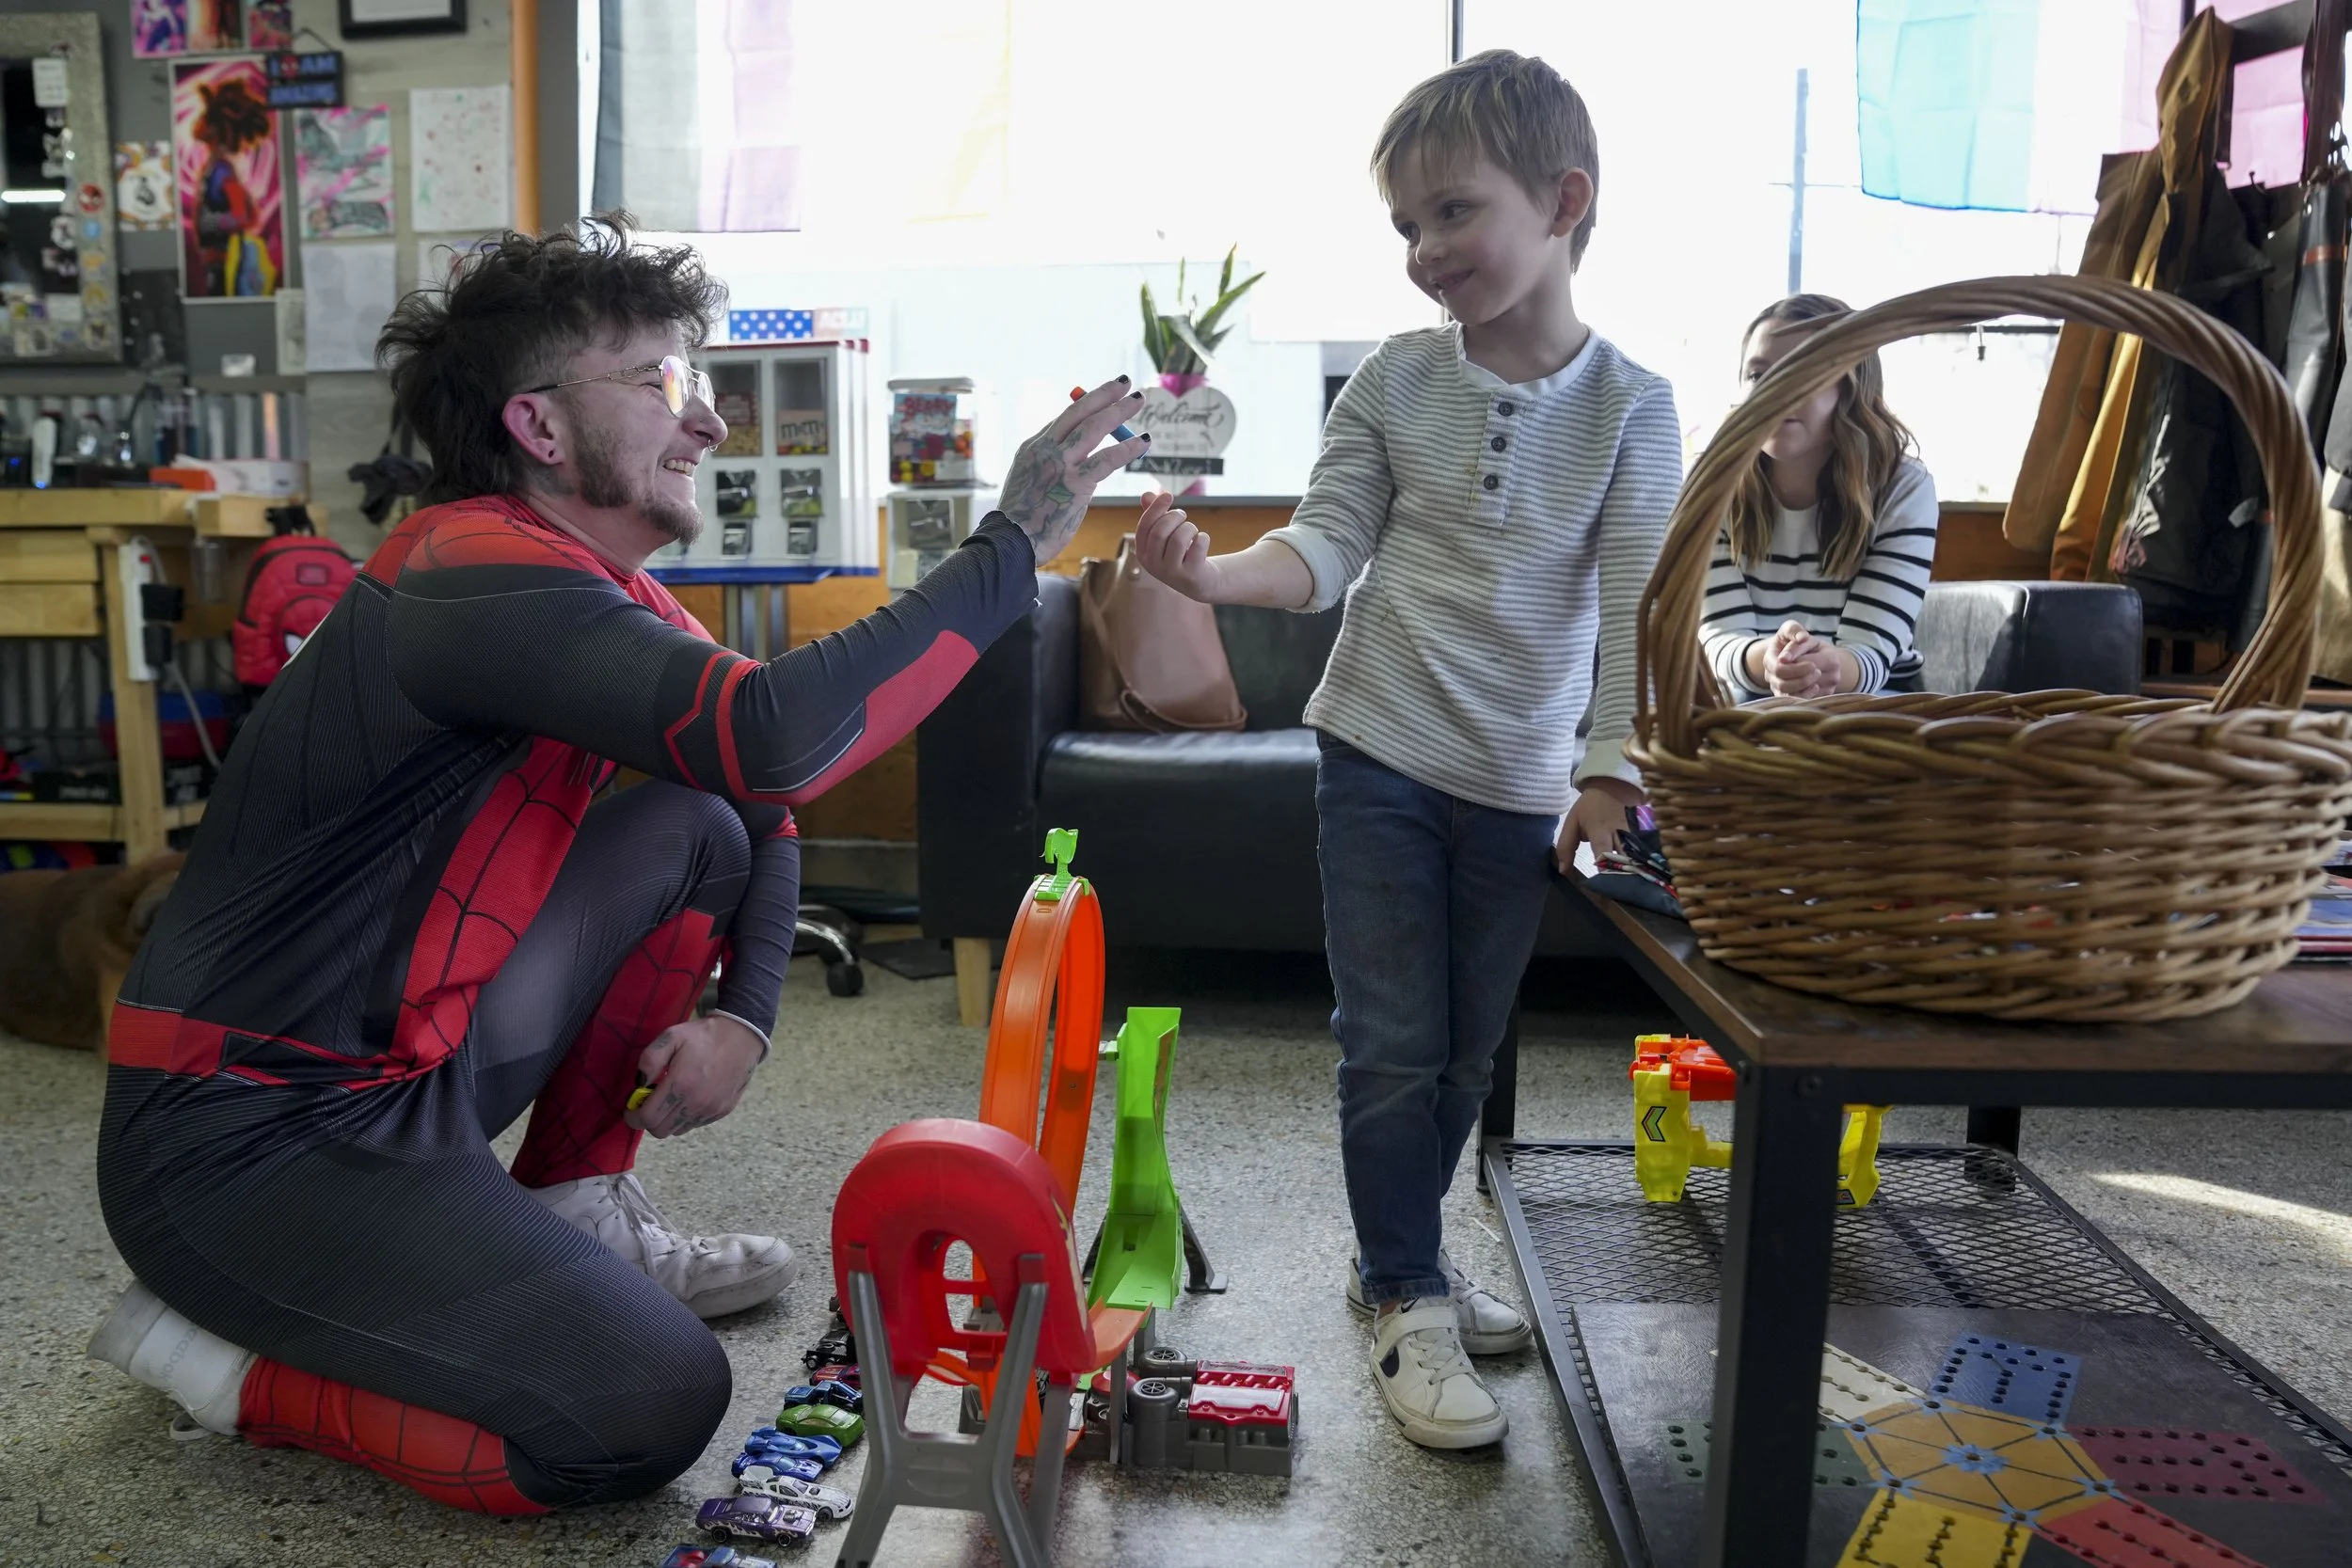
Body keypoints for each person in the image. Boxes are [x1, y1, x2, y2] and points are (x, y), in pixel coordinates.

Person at [86, 216, 1149, 1513]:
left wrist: (748, 1017)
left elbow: (752, 812)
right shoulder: (465, 566)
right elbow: (779, 740)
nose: (703, 423)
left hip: (405, 1075)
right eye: (661, 383)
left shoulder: (593, 589)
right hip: (240, 1139)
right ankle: (217, 1355)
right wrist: (1007, 549)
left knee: (693, 821)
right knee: (643, 1404)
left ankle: (581, 1199)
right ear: (539, 429)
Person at [1130, 51, 1681, 1449]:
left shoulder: (1638, 406)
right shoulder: (1392, 379)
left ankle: (1406, 1262)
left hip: (1516, 781)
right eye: (1406, 229)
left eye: (1453, 214)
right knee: (1388, 1046)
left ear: (1565, 201)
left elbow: (1637, 604)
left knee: (1460, 1054)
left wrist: (1611, 764)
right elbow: (1324, 548)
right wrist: (1209, 578)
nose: (1427, 252)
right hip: (1378, 748)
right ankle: (1402, 1281)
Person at [1700, 293, 1939, 701]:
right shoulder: (1712, 481)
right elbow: (1721, 635)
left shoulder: (1902, 486)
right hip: (1751, 698)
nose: (1775, 391)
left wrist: (1823, 669)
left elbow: (1871, 649)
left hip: (1877, 699)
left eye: (1803, 372)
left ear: (1851, 386)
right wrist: (1772, 663)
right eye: (1759, 375)